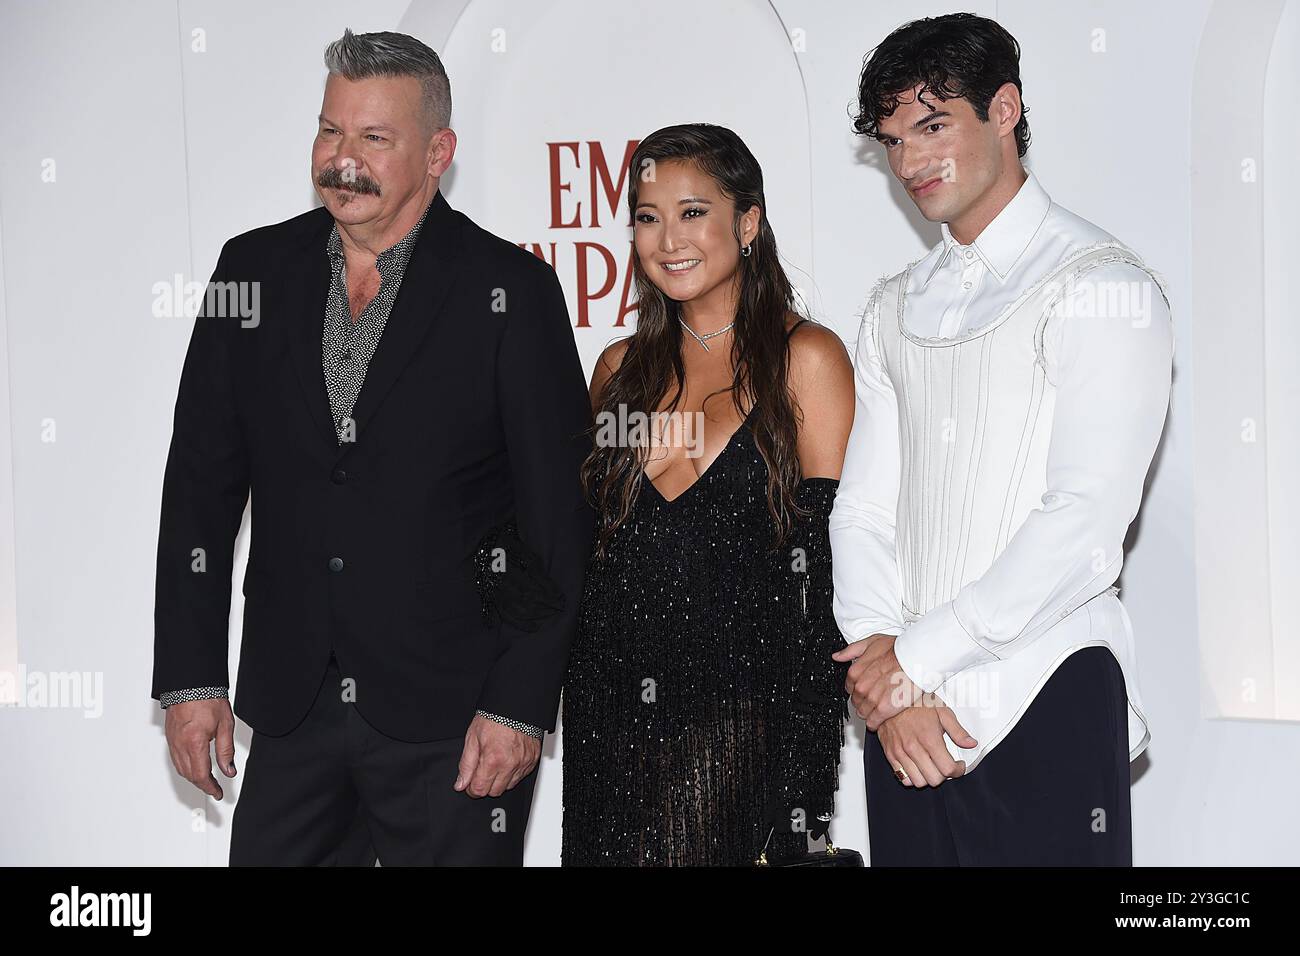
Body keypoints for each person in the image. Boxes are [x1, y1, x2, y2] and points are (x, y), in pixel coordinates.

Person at [152, 28, 592, 865]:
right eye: (330, 130)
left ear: (438, 151)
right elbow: (198, 490)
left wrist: (519, 704)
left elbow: (557, 520)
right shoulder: (250, 271)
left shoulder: (511, 291)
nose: (341, 159)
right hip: (290, 702)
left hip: (457, 715)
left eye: (374, 139)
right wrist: (192, 676)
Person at [830, 12, 1173, 865]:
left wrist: (914, 656)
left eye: (933, 124)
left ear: (1006, 108)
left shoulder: (1104, 286)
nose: (910, 161)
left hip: (1047, 689)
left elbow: (1086, 525)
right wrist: (887, 683)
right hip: (905, 716)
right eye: (892, 138)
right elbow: (863, 511)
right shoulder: (891, 307)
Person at [561, 123, 855, 866]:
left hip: (742, 738)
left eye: (693, 212)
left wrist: (803, 795)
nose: (668, 239)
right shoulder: (617, 372)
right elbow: (591, 569)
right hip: (610, 733)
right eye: (648, 216)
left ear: (747, 222)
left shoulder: (806, 362)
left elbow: (819, 588)